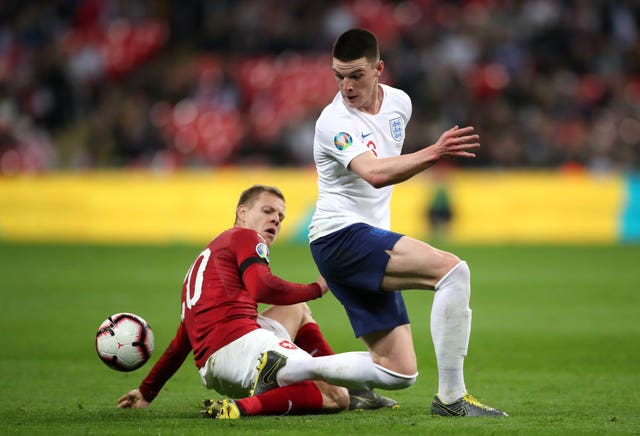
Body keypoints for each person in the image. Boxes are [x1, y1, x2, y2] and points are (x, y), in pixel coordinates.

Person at [304, 28, 507, 417]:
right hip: (339, 235)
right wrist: (435, 152)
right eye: (339, 76)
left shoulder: (399, 103)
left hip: (361, 240)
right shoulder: (333, 122)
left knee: (397, 372)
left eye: (356, 75)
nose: (346, 86)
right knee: (453, 272)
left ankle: (290, 370)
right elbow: (375, 173)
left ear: (379, 69)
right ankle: (452, 400)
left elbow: (388, 166)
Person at [117, 184, 397, 418]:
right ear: (242, 213)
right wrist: (318, 287)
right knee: (337, 399)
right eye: (267, 211)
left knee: (296, 309)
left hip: (217, 362)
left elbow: (183, 340)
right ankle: (245, 406)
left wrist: (147, 391)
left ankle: (349, 389)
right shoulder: (245, 237)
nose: (275, 219)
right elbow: (262, 286)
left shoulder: (209, 258)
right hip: (241, 347)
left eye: (280, 216)